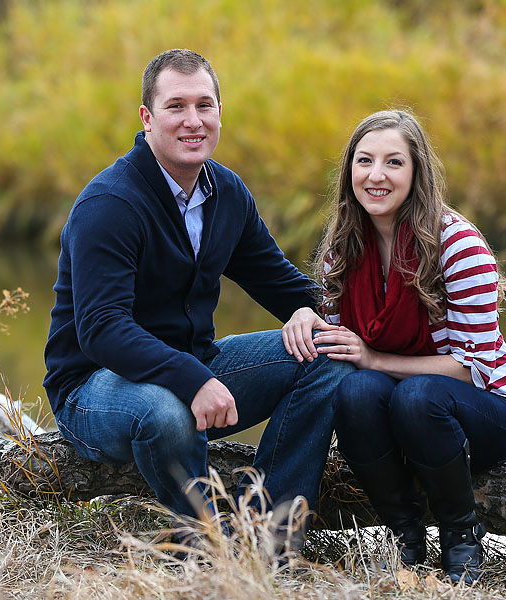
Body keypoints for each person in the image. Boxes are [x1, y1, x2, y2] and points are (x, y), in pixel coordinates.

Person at [43, 49, 352, 535]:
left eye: (205, 106)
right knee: (167, 411)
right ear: (147, 118)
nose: (194, 121)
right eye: (176, 106)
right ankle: (204, 545)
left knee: (327, 354)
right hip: (94, 388)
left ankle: (270, 532)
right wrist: (192, 379)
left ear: (219, 113)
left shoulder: (225, 193)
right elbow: (102, 330)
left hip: (195, 366)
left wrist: (318, 313)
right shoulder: (110, 204)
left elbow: (279, 280)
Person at [282, 109, 506, 583]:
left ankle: (461, 537)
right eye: (364, 161)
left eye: (394, 163)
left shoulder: (457, 245)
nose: (376, 175)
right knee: (352, 393)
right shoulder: (341, 249)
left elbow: (471, 368)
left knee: (416, 396)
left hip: (486, 411)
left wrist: (374, 358)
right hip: (402, 415)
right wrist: (304, 316)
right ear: (349, 172)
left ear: (416, 173)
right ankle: (406, 534)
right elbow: (343, 352)